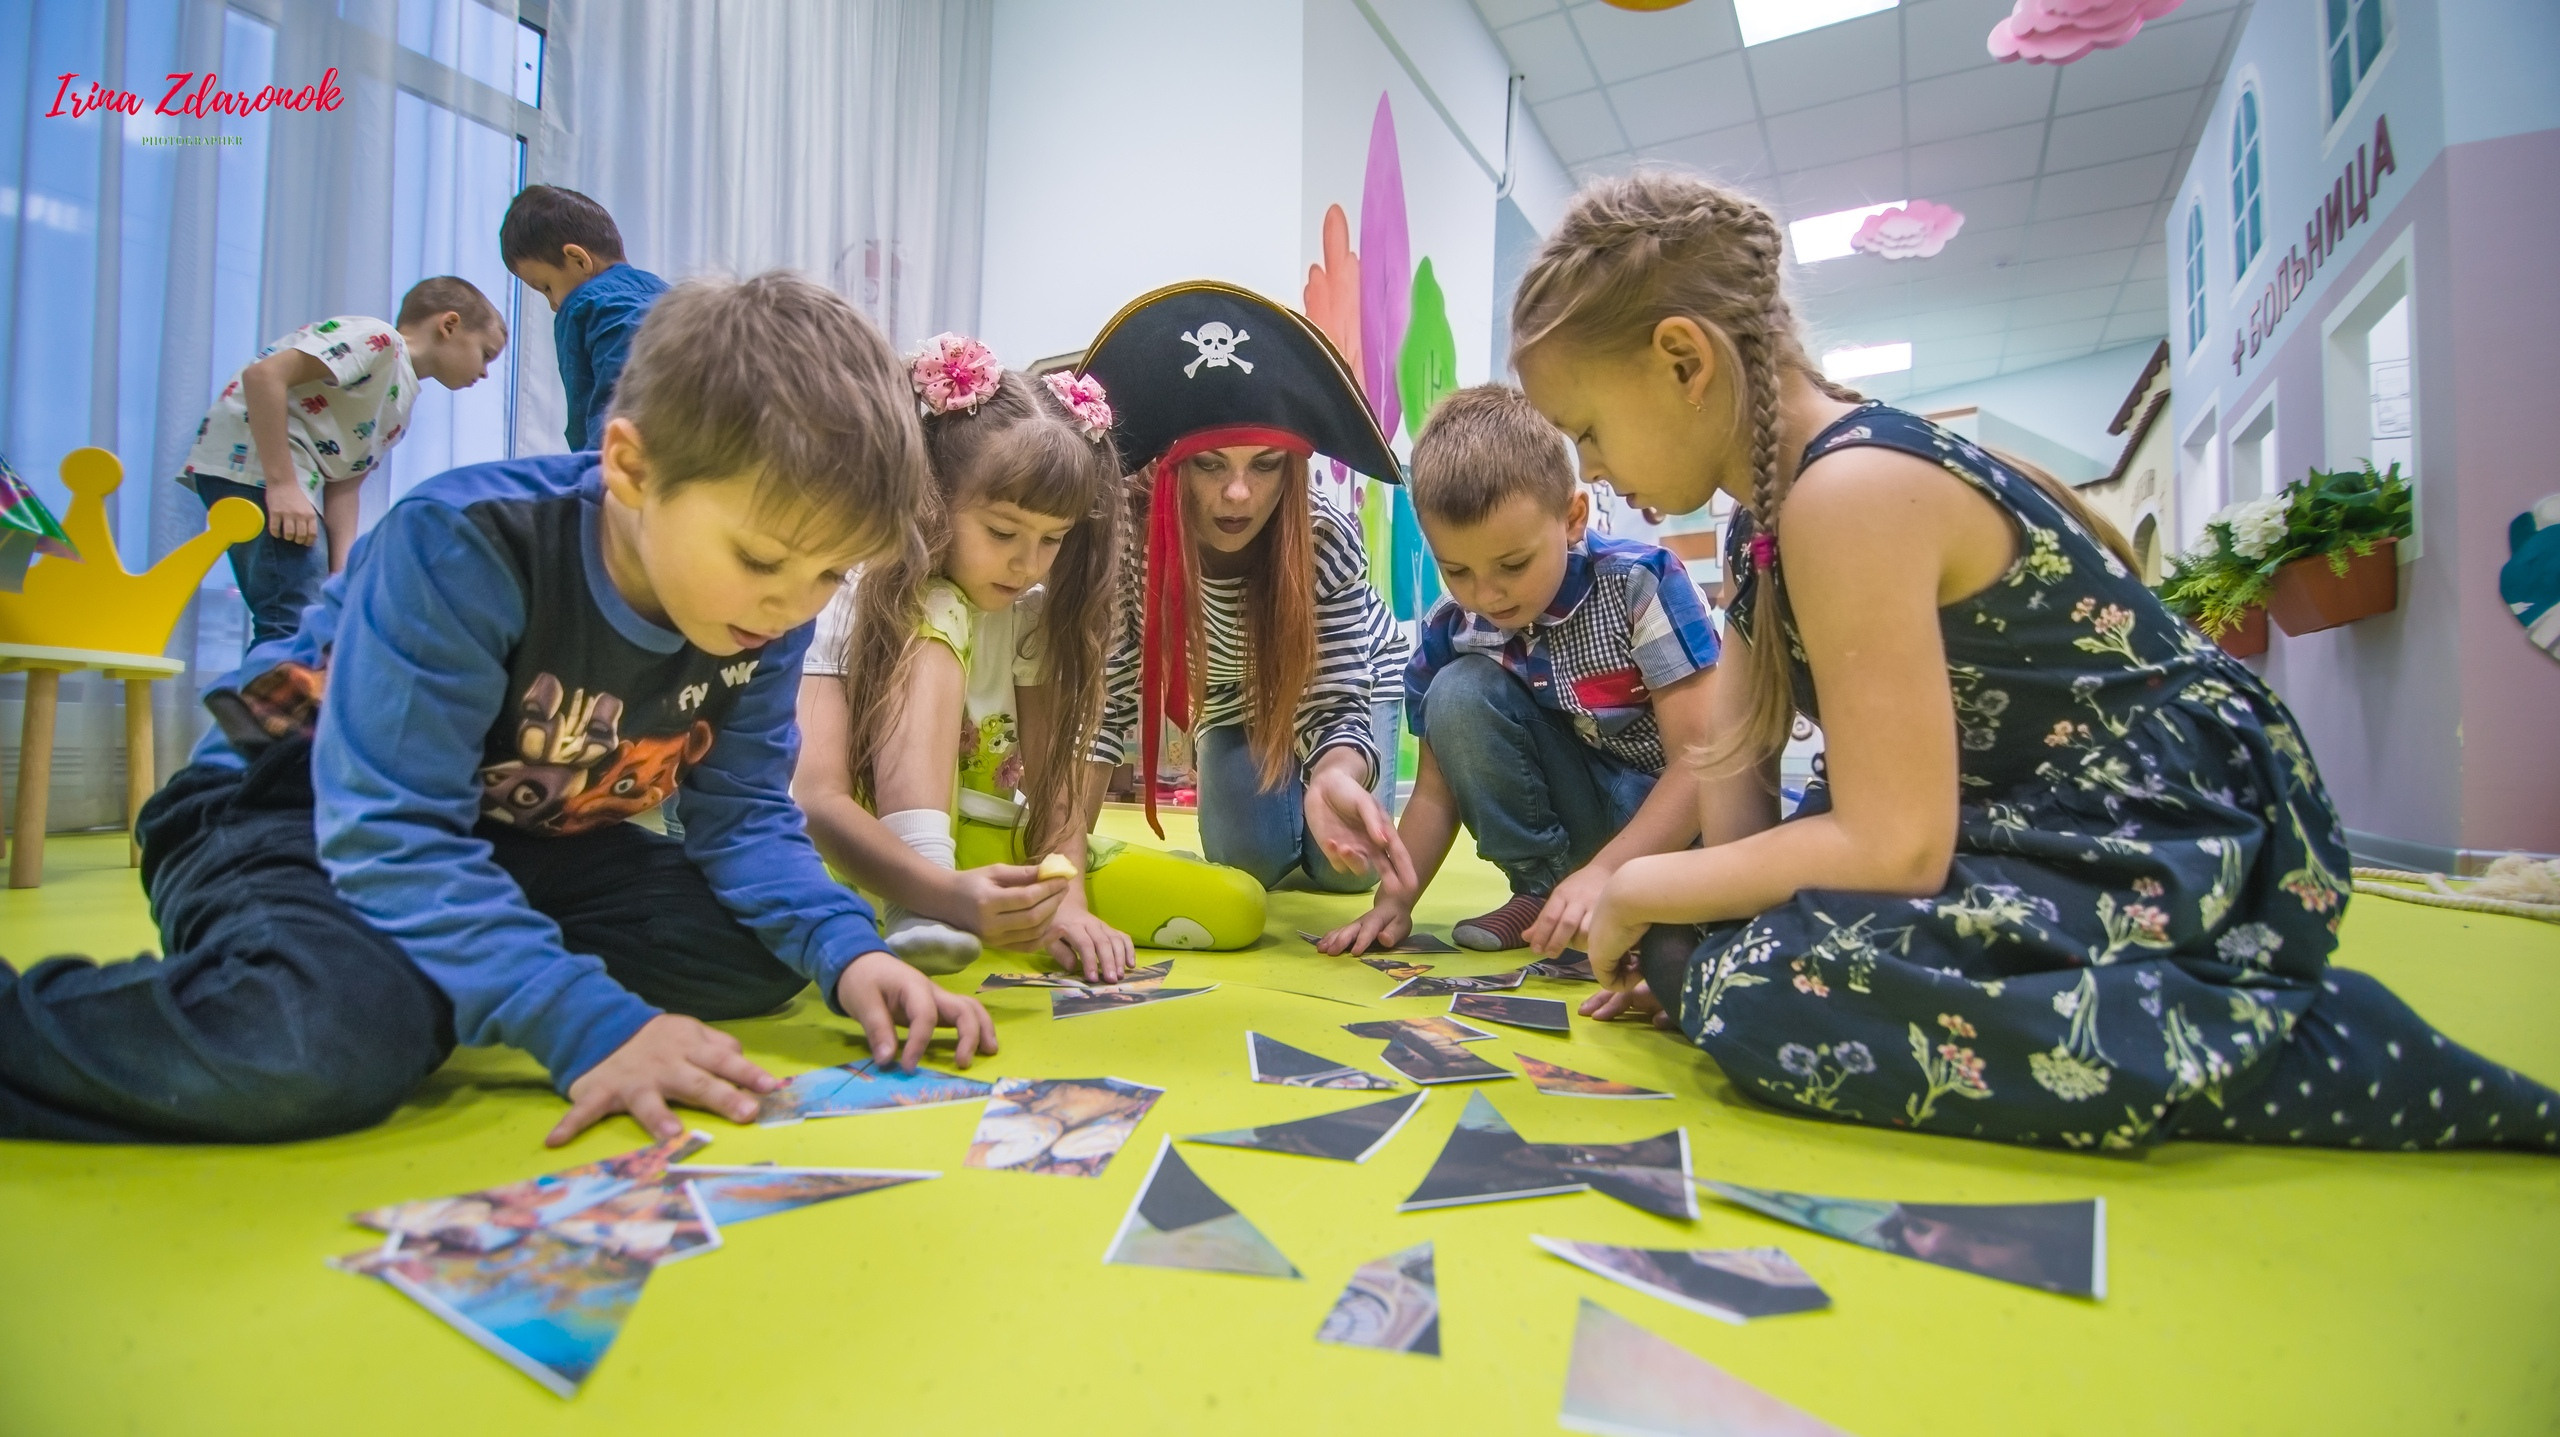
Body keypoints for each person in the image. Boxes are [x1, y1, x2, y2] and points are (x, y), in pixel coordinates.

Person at [1513, 171, 2556, 1153]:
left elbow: (1894, 843)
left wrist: (1655, 889)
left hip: (2153, 831)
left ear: (1684, 362)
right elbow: (1735, 761)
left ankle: (2269, 1040)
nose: (1593, 469)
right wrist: (1699, 931)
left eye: (1590, 430)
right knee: (1723, 964)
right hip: (2015, 823)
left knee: (1760, 996)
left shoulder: (1850, 489)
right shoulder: (1765, 525)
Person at [0, 273, 992, 1147]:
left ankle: (440, 964)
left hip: (509, 837)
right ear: (632, 468)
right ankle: (387, 976)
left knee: (756, 956)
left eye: (826, 573)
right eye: (762, 560)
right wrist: (589, 1022)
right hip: (286, 812)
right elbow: (392, 831)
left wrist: (848, 949)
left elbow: (741, 821)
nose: (792, 604)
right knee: (318, 1043)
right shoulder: (464, 543)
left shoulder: (762, 620)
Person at [793, 334, 1265, 980]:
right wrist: (935, 891)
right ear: (933, 499)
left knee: (1237, 907)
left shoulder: (1029, 612)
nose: (1026, 561)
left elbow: (1056, 790)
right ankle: (918, 911)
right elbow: (817, 798)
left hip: (988, 854)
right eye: (1003, 532)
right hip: (870, 857)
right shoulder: (850, 589)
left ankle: (958, 911)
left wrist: (1065, 902)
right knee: (939, 606)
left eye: (1052, 539)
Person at [1320, 384, 1718, 955]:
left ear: (1573, 518)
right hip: (1577, 820)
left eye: (1513, 564)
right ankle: (1542, 889)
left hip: (1666, 828)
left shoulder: (1641, 585)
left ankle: (1636, 905)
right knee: (1456, 693)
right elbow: (1436, 792)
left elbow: (1701, 766)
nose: (1486, 594)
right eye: (1456, 570)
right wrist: (1392, 903)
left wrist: (1611, 875)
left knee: (1674, 947)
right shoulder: (1452, 627)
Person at [1079, 282, 1413, 896]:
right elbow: (1112, 700)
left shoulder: (1324, 538)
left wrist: (1334, 776)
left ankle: (1311, 786)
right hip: (1233, 688)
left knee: (1346, 872)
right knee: (1246, 862)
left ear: (1290, 469)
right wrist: (1066, 858)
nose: (1238, 494)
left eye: (1263, 465)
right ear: (1172, 469)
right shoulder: (1133, 541)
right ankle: (1274, 795)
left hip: (1341, 682)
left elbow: (1336, 697)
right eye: (1211, 465)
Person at [179, 277, 507, 646]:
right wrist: (284, 486)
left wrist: (340, 578)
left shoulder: (399, 405)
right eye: (486, 354)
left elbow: (345, 485)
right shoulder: (378, 341)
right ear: (449, 325)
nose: (484, 373)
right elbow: (265, 375)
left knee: (309, 614)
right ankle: (269, 703)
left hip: (289, 479)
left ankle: (286, 698)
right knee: (291, 619)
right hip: (255, 468)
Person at [501, 184, 671, 453]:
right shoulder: (665, 292)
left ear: (579, 260)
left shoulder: (584, 305)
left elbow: (612, 412)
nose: (554, 304)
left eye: (546, 287)